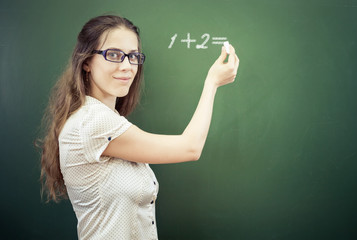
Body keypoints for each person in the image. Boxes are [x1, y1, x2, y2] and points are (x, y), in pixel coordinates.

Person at [38, 15, 239, 240]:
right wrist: (212, 83)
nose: (127, 66)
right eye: (113, 54)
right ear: (86, 62)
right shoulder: (93, 121)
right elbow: (190, 148)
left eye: (133, 56)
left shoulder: (104, 118)